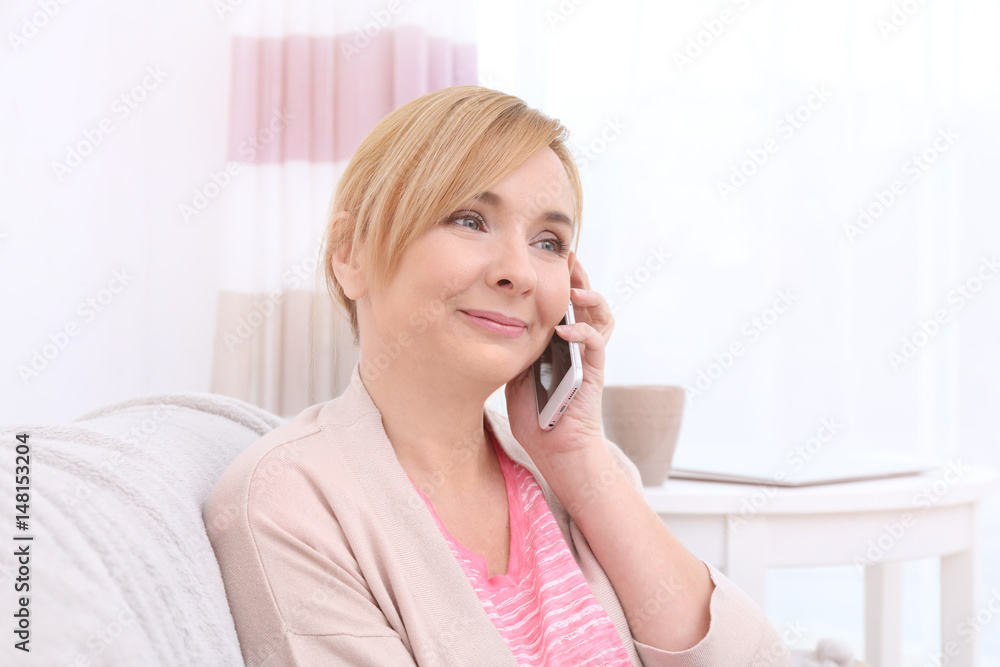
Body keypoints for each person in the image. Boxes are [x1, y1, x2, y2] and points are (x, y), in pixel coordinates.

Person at [204, 85, 791, 666]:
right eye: (469, 219)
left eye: (548, 242)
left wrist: (577, 459)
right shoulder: (290, 499)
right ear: (352, 254)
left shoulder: (577, 470)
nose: (520, 273)